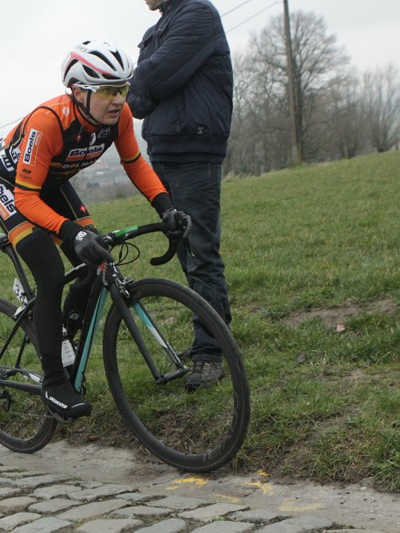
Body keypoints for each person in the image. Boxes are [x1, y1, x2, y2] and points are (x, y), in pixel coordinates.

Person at [0, 40, 189, 420]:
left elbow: (135, 164)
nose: (118, 100)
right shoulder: (49, 122)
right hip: (11, 190)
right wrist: (73, 234)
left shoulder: (119, 117)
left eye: (123, 89)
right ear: (78, 92)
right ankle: (53, 380)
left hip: (53, 184)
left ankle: (62, 339)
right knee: (49, 270)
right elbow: (27, 200)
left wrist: (167, 207)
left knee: (98, 262)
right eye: (109, 91)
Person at [127, 0, 234, 388]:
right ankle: (215, 333)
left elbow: (148, 81)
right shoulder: (157, 29)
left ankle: (210, 353)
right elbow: (136, 99)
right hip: (164, 150)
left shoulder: (197, 15)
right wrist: (150, 83)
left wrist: (152, 83)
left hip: (195, 148)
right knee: (187, 252)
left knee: (202, 252)